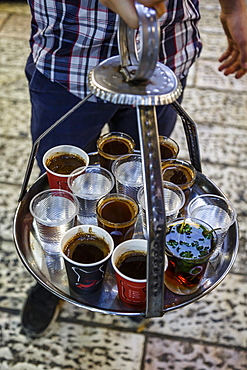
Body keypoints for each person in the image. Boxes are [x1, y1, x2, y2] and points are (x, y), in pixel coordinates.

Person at [21, 0, 247, 337]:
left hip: (163, 53)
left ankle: (137, 276)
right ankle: (60, 273)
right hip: (69, 54)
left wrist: (234, 9)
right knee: (60, 186)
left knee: (146, 174)